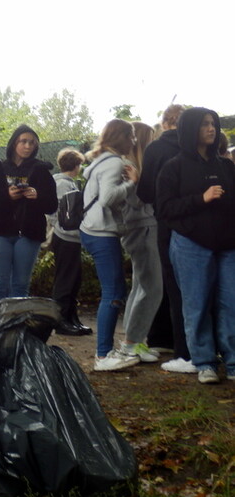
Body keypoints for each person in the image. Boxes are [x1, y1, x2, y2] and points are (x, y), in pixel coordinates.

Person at [156, 107, 235, 384]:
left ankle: (233, 362)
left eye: (213, 124)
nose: (211, 129)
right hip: (191, 244)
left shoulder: (226, 166)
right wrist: (201, 199)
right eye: (204, 125)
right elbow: (164, 209)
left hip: (227, 245)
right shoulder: (174, 167)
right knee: (197, 305)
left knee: (230, 303)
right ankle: (204, 363)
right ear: (191, 130)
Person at [136, 104, 194, 373]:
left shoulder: (156, 148)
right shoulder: (196, 148)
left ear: (164, 122)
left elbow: (147, 192)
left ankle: (174, 344)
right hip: (199, 220)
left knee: (170, 282)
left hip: (167, 222)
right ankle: (201, 346)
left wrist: (138, 181)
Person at [79, 119, 140, 371]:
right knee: (113, 292)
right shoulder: (114, 162)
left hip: (92, 229)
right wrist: (131, 182)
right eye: (131, 136)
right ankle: (103, 355)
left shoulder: (100, 161)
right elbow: (106, 199)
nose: (134, 141)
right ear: (121, 137)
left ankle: (106, 351)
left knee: (113, 291)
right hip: (101, 231)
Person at [0, 125, 57, 304]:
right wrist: (7, 196)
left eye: (32, 143)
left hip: (29, 233)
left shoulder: (41, 170)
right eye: (23, 141)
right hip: (0, 232)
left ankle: (15, 328)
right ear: (14, 143)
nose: (28, 146)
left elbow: (52, 205)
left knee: (20, 285)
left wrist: (38, 196)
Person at [114, 121, 163, 362]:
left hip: (140, 228)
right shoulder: (129, 168)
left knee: (141, 286)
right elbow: (134, 202)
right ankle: (131, 343)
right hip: (140, 228)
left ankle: (135, 340)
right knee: (153, 287)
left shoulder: (134, 167)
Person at [49, 148, 91, 336]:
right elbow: (59, 213)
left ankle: (71, 318)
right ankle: (61, 321)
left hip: (71, 237)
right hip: (65, 237)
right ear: (76, 165)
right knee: (66, 280)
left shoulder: (68, 184)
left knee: (73, 279)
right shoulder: (63, 185)